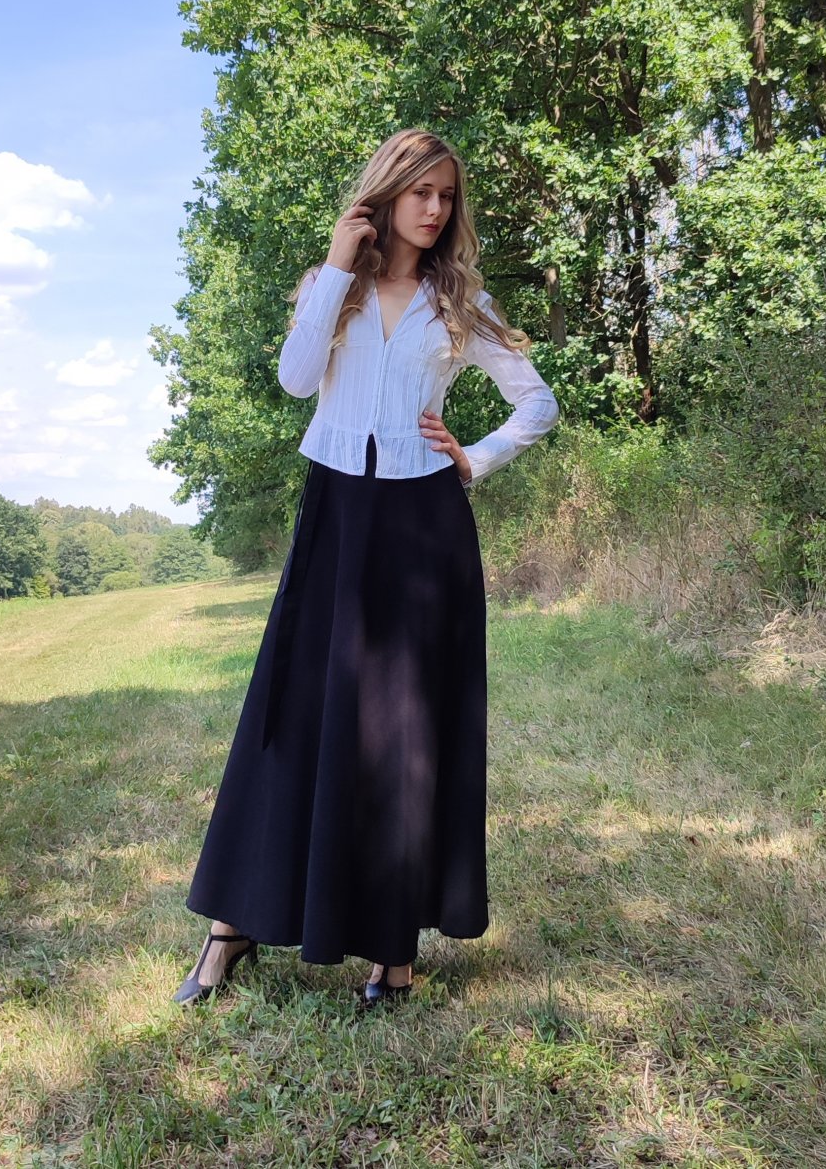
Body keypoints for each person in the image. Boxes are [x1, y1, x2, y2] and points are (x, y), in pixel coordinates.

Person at [172, 128, 560, 1012]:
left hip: (425, 528)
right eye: (421, 191)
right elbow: (295, 379)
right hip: (337, 519)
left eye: (447, 195)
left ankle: (394, 951)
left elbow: (537, 402)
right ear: (385, 193)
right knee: (290, 711)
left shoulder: (460, 301)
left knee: (404, 734)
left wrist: (475, 457)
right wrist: (338, 265)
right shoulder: (331, 286)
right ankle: (233, 925)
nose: (435, 208)